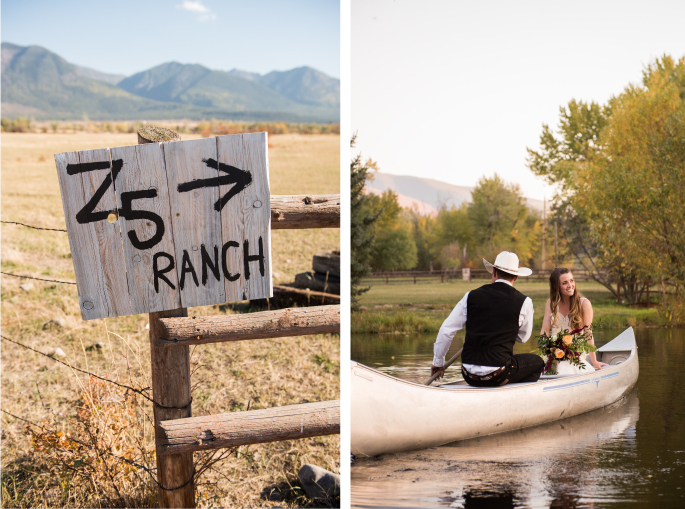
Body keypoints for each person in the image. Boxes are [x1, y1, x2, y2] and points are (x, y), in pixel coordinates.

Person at [431, 251, 545, 387]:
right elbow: (523, 338)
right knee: (538, 363)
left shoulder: (470, 296)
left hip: (468, 374)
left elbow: (446, 330)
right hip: (498, 374)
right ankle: (513, 399)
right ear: (516, 277)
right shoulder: (525, 302)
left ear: (494, 272)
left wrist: (438, 363)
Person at [541, 268, 608, 374]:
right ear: (556, 286)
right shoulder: (551, 303)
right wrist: (544, 351)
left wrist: (594, 361)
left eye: (572, 280)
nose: (570, 285)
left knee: (564, 364)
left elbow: (587, 332)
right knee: (547, 364)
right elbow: (545, 330)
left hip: (575, 349)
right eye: (564, 283)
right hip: (554, 349)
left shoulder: (584, 304)